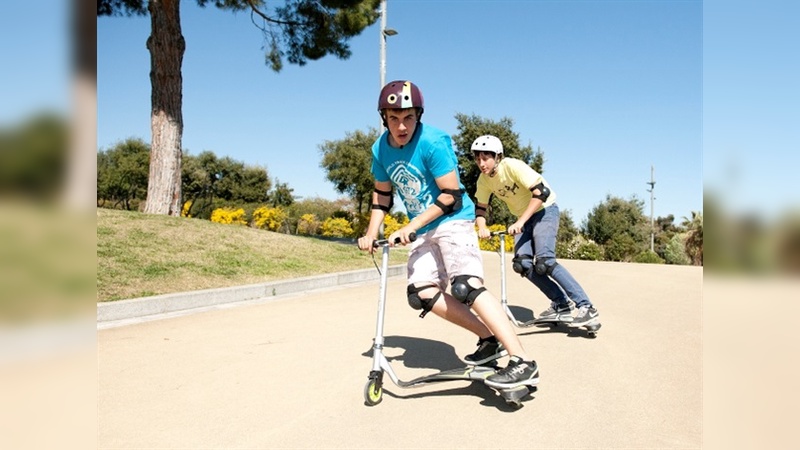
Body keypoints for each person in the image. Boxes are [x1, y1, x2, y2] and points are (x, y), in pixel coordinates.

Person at [357, 81, 537, 389]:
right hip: (422, 227)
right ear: (383, 117)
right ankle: (488, 337)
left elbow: (450, 195)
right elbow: (381, 196)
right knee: (421, 293)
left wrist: (410, 227)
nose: (401, 125)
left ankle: (522, 361)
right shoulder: (380, 149)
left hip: (453, 219)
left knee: (465, 286)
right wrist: (371, 234)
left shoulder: (434, 141)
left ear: (419, 115)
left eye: (408, 117)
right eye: (393, 117)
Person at [470, 134, 600, 329]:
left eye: (486, 157)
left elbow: (541, 192)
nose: (482, 163)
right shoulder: (484, 180)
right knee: (523, 265)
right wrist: (482, 227)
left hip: (544, 210)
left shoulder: (512, 166)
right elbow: (480, 208)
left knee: (545, 261)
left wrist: (521, 221)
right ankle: (561, 304)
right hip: (524, 218)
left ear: (497, 156)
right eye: (477, 158)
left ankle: (586, 307)